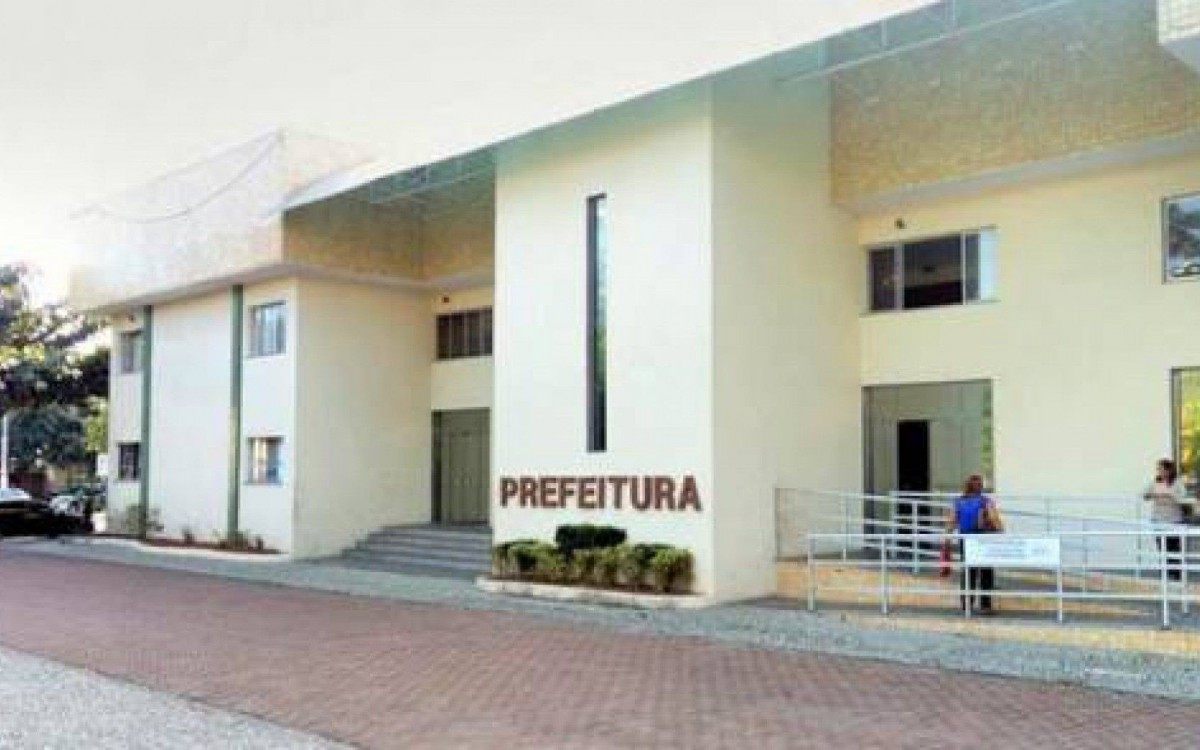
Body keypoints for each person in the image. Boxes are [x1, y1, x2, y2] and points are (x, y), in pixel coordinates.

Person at [947, 474, 1002, 614]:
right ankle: (985, 605)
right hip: (982, 539)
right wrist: (1000, 530)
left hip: (965, 539)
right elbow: (994, 519)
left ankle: (967, 604)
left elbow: (952, 521)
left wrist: (947, 538)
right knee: (986, 572)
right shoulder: (985, 501)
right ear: (980, 487)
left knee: (968, 572)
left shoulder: (959, 502)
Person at [1143, 459, 1194, 581]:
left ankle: (1176, 574)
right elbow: (1144, 494)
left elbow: (1184, 499)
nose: (1159, 472)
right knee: (1162, 547)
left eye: (1161, 469)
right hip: (1158, 520)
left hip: (1174, 520)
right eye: (1158, 469)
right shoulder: (1155, 482)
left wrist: (1171, 495)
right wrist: (1152, 494)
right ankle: (1165, 573)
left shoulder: (1177, 483)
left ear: (1168, 470)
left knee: (1174, 548)